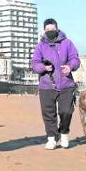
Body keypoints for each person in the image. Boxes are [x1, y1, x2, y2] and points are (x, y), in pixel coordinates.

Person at [32, 18, 80, 150]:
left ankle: (64, 133)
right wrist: (43, 67)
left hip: (66, 84)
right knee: (48, 113)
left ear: (57, 29)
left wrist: (70, 66)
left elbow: (75, 59)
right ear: (44, 31)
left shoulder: (68, 43)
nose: (50, 32)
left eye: (52, 29)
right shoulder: (40, 46)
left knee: (66, 111)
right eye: (47, 30)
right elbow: (34, 64)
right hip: (47, 85)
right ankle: (52, 138)